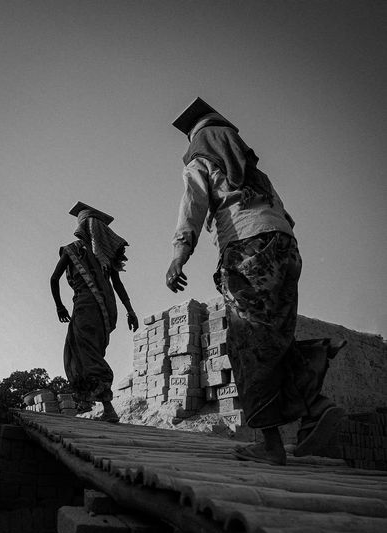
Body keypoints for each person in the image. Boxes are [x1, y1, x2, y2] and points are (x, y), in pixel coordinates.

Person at [166, 98, 346, 465]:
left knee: (248, 345)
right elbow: (287, 219)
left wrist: (179, 254)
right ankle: (316, 406)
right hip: (284, 248)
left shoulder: (201, 160)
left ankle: (271, 444)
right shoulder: (256, 177)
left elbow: (194, 205)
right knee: (274, 338)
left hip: (246, 250)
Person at [50, 202, 139, 422]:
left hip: (85, 308)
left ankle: (108, 408)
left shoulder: (72, 250)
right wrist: (130, 310)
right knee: (91, 353)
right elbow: (118, 286)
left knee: (85, 354)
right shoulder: (105, 256)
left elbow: (54, 278)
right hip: (106, 311)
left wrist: (59, 306)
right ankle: (93, 405)